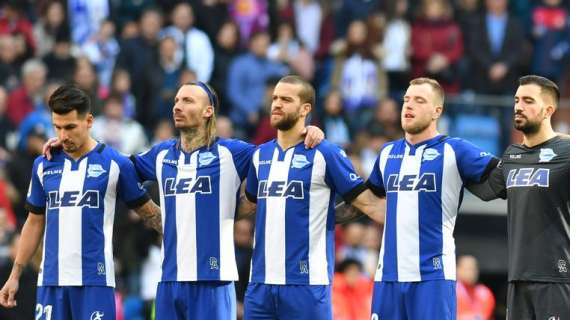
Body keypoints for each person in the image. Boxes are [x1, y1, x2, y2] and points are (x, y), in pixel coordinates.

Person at [129, 81, 324, 319]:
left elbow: (276, 153)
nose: (177, 107)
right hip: (169, 280)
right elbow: (119, 173)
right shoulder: (160, 154)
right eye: (176, 101)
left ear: (208, 111)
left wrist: (311, 131)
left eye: (187, 101)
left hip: (215, 280)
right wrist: (152, 213)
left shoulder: (233, 153)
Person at [0, 84, 162, 319]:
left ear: (89, 121)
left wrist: (182, 234)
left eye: (70, 127)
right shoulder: (44, 165)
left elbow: (149, 212)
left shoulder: (115, 163)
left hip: (95, 281)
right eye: (57, 128)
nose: (63, 136)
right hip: (51, 281)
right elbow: (34, 222)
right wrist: (15, 275)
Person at [239, 75, 385, 319]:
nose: (276, 104)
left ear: (305, 109)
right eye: (275, 98)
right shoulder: (259, 155)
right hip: (259, 284)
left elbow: (366, 203)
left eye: (286, 99)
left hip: (307, 284)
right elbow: (250, 205)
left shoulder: (325, 153)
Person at [365, 77, 499, 320]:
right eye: (406, 99)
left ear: (437, 110)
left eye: (419, 100)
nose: (409, 105)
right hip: (388, 276)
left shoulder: (455, 150)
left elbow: (502, 177)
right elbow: (364, 200)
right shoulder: (386, 154)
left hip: (433, 276)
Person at [475, 75, 570, 319]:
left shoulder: (567, 150)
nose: (519, 106)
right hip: (517, 278)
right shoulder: (511, 155)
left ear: (548, 109)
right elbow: (485, 190)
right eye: (517, 100)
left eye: (528, 101)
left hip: (557, 276)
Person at [456, 255, 495, 320]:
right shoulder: (450, 292)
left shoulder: (485, 293)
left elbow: (484, 316)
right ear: (458, 270)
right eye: (467, 268)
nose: (471, 272)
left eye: (473, 268)